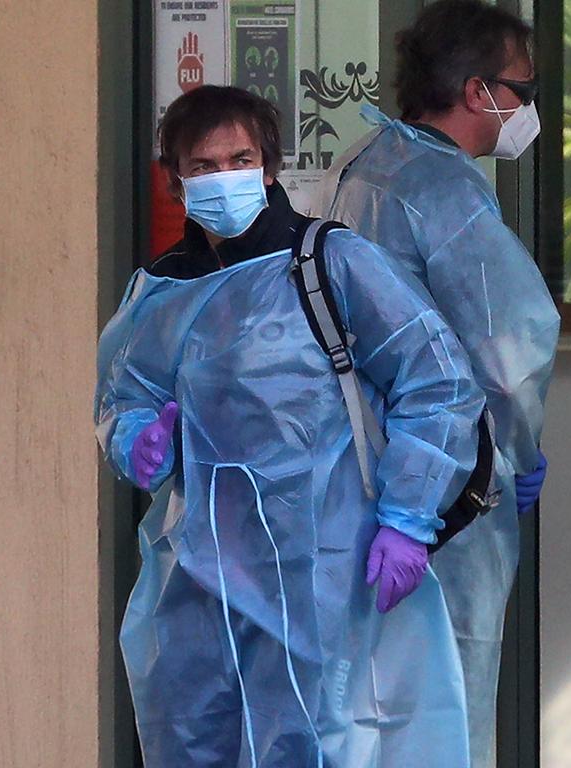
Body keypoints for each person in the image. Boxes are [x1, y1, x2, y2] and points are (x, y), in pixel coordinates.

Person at [95, 85, 487, 767]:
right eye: (204, 165)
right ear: (174, 180)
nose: (224, 178)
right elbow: (123, 396)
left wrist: (407, 517)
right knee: (194, 734)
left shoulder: (328, 264)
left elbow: (439, 381)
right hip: (199, 575)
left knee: (323, 739)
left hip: (325, 565)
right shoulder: (160, 290)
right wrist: (136, 440)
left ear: (269, 166)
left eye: (239, 158)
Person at [315, 2, 560, 765]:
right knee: (447, 705)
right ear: (476, 89)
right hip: (447, 488)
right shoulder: (443, 189)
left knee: (366, 711)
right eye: (523, 88)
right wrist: (518, 446)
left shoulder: (363, 162)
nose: (527, 108)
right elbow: (510, 347)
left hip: (358, 478)